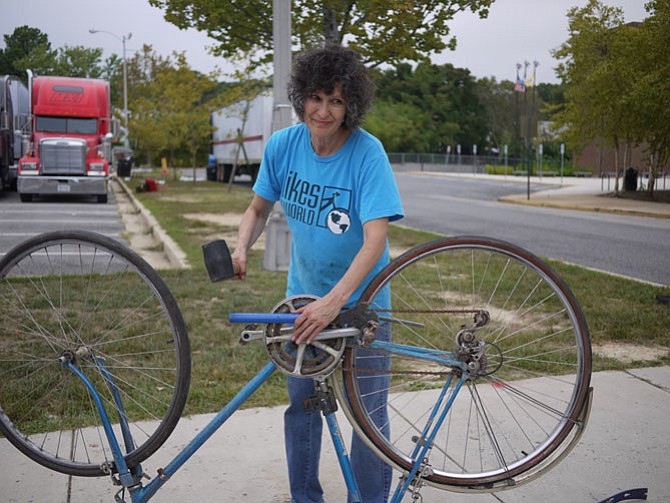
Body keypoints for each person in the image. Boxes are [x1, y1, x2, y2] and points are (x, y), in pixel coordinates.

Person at [231, 44, 404, 503]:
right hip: (303, 307)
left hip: (361, 308)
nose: (323, 111)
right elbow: (257, 208)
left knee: (367, 418)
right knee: (303, 410)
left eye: (337, 101)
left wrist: (336, 303)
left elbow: (375, 242)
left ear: (351, 107)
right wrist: (241, 244)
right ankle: (305, 498)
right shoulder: (284, 146)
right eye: (317, 97)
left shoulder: (368, 154)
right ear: (302, 95)